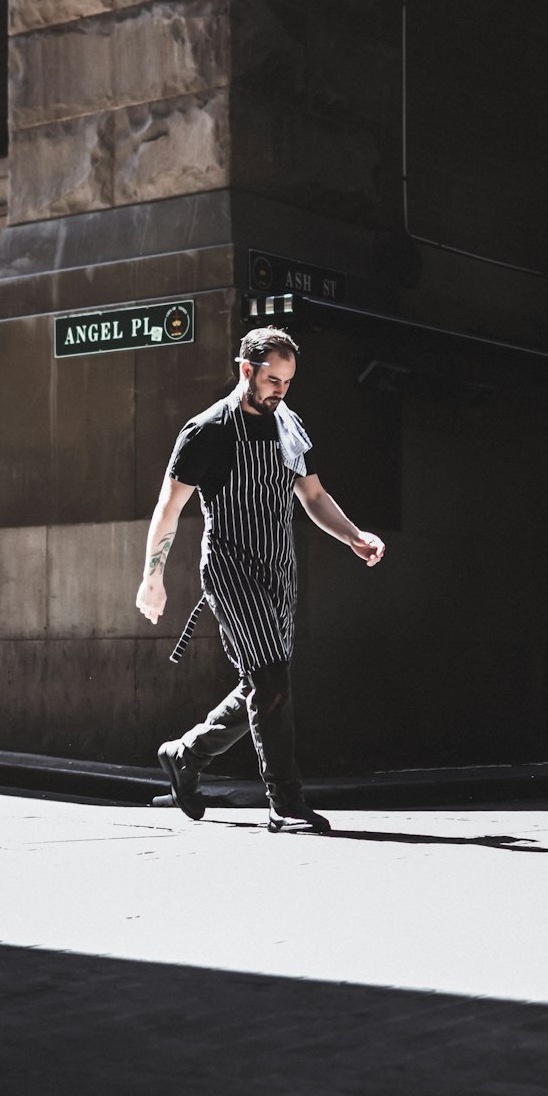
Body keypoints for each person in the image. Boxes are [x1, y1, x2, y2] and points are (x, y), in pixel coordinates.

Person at [135, 325, 385, 833]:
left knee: (264, 684)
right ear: (245, 369)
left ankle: (185, 755)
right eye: (272, 380)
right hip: (230, 570)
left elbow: (312, 497)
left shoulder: (289, 427)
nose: (279, 391)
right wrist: (152, 577)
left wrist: (354, 536)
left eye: (287, 383)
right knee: (271, 679)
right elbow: (170, 508)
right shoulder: (206, 431)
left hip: (279, 569)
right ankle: (286, 803)